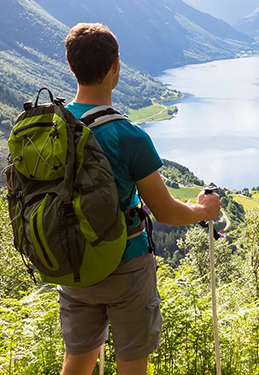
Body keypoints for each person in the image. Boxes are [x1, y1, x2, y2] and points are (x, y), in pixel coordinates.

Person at [57, 23, 221, 375]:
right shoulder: (128, 135)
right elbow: (165, 211)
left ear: (71, 67)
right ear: (116, 65)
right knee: (131, 362)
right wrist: (202, 209)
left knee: (79, 360)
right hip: (125, 263)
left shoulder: (55, 127)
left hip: (72, 262)